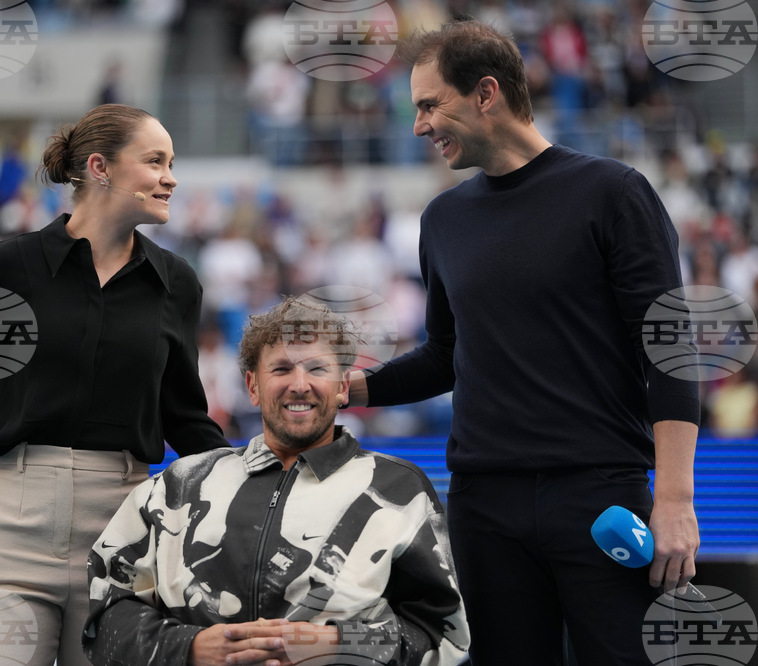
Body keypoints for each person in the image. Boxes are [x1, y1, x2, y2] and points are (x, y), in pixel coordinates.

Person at [346, 19, 701, 665]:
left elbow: (670, 349)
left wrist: (675, 500)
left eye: (430, 105)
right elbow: (445, 354)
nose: (419, 125)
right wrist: (350, 388)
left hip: (597, 495)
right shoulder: (443, 218)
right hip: (484, 506)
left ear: (486, 93)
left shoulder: (612, 192)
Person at [0, 103, 228, 666]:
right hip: (7, 526)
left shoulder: (177, 283)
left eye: (172, 162)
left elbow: (185, 417)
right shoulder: (9, 265)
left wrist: (248, 482)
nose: (171, 176)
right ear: (100, 167)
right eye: (155, 161)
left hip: (126, 530)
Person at [83, 296, 469, 666]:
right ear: (252, 386)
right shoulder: (179, 484)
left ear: (341, 387)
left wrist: (338, 646)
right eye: (281, 369)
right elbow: (106, 615)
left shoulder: (400, 491)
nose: (299, 384)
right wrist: (190, 647)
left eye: (317, 369)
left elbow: (442, 635)